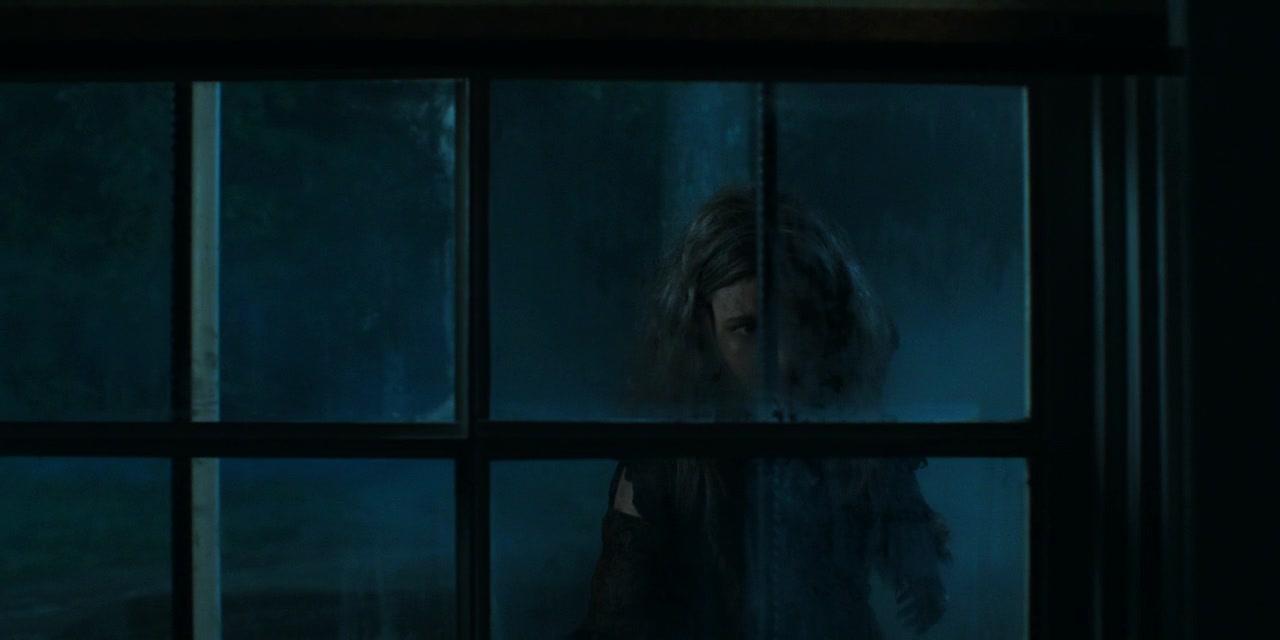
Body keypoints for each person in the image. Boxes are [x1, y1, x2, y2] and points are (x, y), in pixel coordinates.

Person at [571, 187, 951, 639]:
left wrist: (917, 567)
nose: (784, 361)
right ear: (703, 331)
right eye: (748, 329)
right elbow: (618, 625)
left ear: (833, 322)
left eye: (803, 321)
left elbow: (907, 537)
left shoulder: (856, 442)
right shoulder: (666, 466)